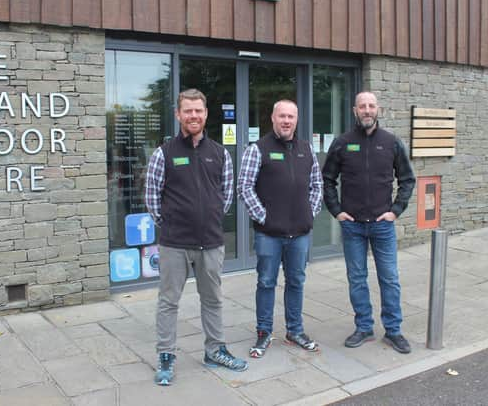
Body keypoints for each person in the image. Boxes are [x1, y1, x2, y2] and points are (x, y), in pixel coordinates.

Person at [145, 88, 248, 386]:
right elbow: (152, 198)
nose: (193, 116)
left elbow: (226, 196)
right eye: (188, 111)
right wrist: (172, 224)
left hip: (211, 243)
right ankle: (166, 356)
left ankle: (215, 350)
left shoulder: (220, 154)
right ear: (178, 114)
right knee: (168, 302)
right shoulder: (164, 154)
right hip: (174, 243)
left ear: (205, 114)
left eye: (198, 111)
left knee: (213, 299)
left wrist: (210, 218)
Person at [322, 91, 416, 354]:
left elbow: (407, 179)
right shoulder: (342, 143)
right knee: (357, 279)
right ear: (354, 110)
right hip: (352, 225)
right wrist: (337, 211)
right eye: (362, 106)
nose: (367, 110)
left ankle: (393, 331)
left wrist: (395, 211)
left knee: (389, 279)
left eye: (371, 106)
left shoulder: (391, 143)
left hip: (382, 224)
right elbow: (327, 179)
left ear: (378, 110)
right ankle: (364, 327)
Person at [237, 100, 323, 358]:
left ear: (297, 120)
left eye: (291, 117)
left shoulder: (306, 150)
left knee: (296, 281)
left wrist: (310, 213)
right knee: (266, 282)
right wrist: (263, 217)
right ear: (273, 118)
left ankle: (294, 331)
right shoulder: (258, 149)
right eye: (282, 116)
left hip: (300, 234)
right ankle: (264, 333)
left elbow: (317, 186)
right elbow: (244, 186)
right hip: (269, 235)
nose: (287, 121)